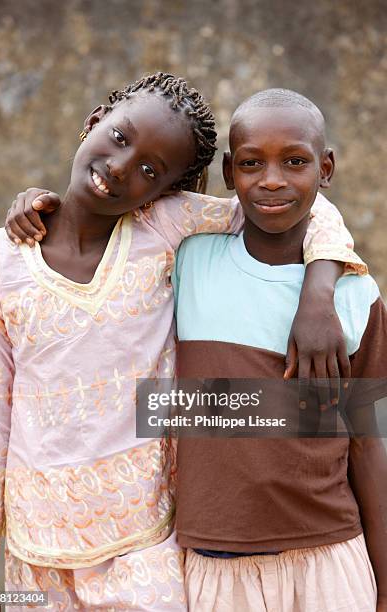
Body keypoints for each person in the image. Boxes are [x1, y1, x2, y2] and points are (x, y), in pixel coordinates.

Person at [0, 73, 365, 611]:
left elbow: (290, 203)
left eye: (149, 171)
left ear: (165, 191)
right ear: (94, 120)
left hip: (148, 543)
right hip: (35, 554)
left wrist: (319, 289)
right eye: (119, 138)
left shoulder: (161, 229)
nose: (120, 166)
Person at [172, 88, 387, 611]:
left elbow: (368, 443)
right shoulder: (185, 261)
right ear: (228, 172)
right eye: (251, 163)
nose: (272, 179)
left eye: (295, 161)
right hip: (214, 560)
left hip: (331, 557)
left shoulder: (356, 295)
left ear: (326, 168)